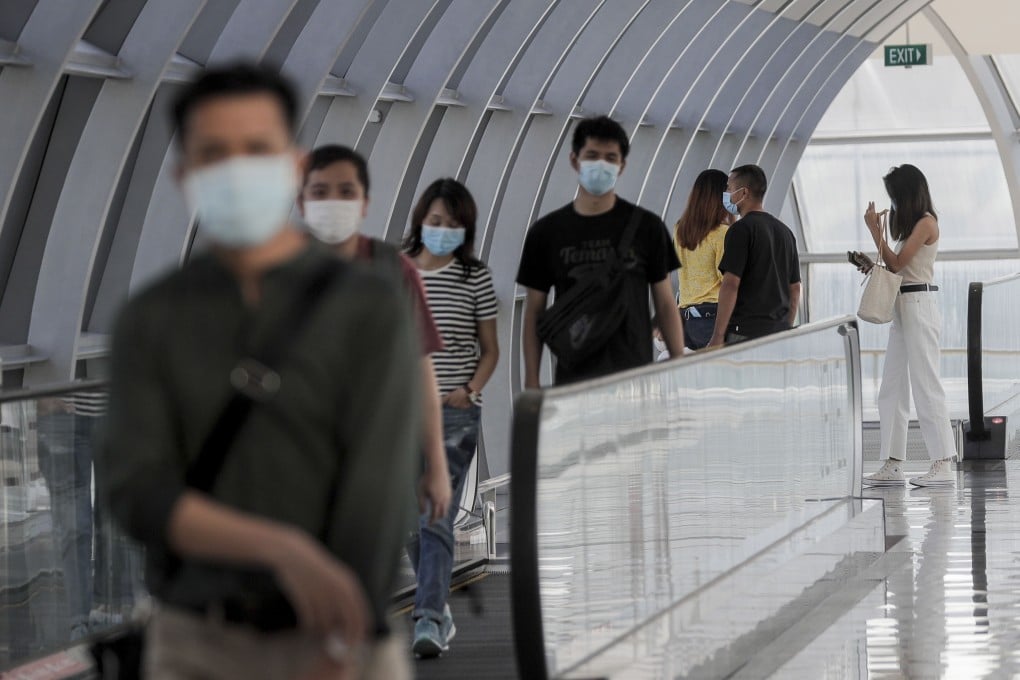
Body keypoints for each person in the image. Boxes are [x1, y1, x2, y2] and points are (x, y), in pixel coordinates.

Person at [96, 64, 418, 679]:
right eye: (214, 153)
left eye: (257, 149)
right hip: (197, 644)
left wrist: (341, 634)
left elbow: (378, 490)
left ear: (292, 167)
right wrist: (282, 549)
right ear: (185, 175)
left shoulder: (366, 305)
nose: (236, 169)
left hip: (336, 639)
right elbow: (137, 489)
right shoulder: (154, 317)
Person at [297, 144, 452, 526]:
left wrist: (436, 463)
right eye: (320, 192)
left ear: (365, 203)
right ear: (301, 203)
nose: (333, 202)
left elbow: (422, 371)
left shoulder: (392, 271)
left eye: (346, 192)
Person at [402, 178, 499, 658]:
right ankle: (436, 602)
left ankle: (427, 619)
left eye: (451, 225)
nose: (441, 230)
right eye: (434, 222)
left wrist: (470, 390)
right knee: (406, 519)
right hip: (403, 414)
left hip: (456, 416)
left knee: (434, 515)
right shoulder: (399, 273)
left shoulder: (474, 278)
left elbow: (490, 351)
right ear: (421, 220)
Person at [517, 115, 684, 386]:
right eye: (592, 156)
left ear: (621, 165)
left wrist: (678, 362)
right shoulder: (546, 232)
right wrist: (532, 380)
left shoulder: (647, 227)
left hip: (634, 376)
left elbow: (665, 302)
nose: (601, 165)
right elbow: (534, 311)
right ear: (575, 160)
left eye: (610, 158)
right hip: (574, 378)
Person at [862, 164, 956, 487]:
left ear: (907, 193)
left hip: (919, 306)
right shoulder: (910, 229)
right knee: (892, 387)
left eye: (896, 197)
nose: (894, 204)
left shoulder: (927, 223)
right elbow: (897, 268)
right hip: (904, 307)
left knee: (925, 385)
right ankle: (893, 462)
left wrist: (876, 235)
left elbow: (899, 263)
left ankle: (943, 463)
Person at [708, 164, 801, 346]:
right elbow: (795, 289)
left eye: (729, 187)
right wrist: (785, 327)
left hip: (744, 333)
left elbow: (731, 285)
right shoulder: (786, 232)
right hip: (777, 332)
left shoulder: (740, 230)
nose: (725, 192)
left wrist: (718, 335)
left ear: (744, 193)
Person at [673, 169, 732, 349]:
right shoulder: (722, 233)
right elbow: (728, 279)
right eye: (728, 193)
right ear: (719, 197)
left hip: (686, 320)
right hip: (712, 319)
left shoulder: (679, 230)